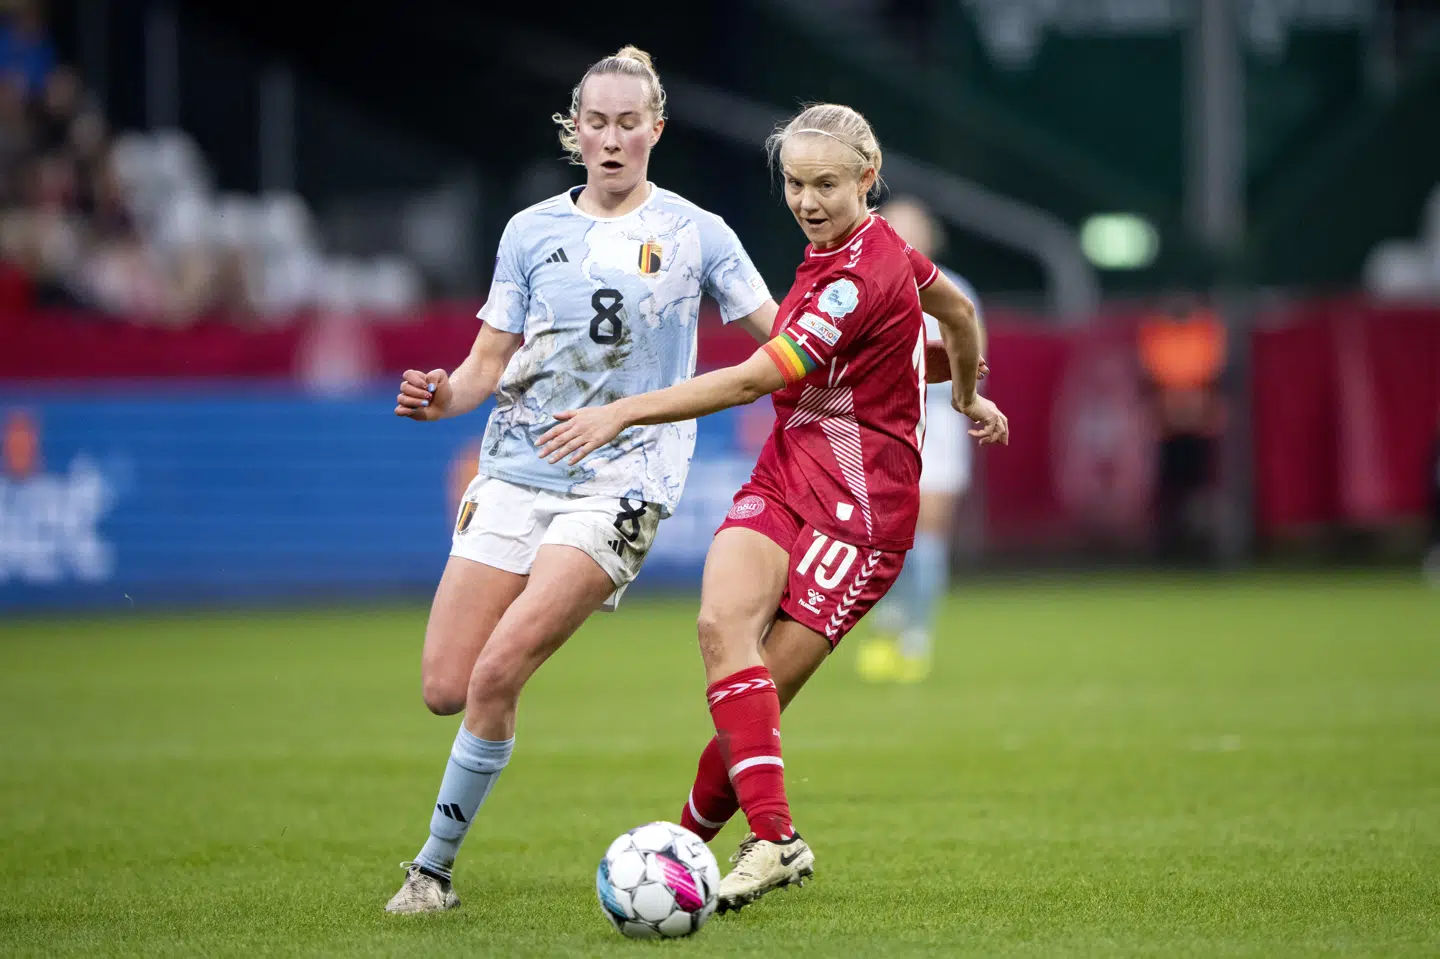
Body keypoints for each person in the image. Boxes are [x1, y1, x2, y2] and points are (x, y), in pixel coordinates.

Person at [538, 102, 1007, 911]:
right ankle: (749, 843)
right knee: (723, 631)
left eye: (826, 183)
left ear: (868, 177)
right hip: (788, 471)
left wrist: (622, 410)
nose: (807, 200)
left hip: (860, 512)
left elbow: (759, 377)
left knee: (757, 695)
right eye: (794, 182)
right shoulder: (860, 251)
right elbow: (957, 316)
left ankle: (730, 839)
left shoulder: (861, 272)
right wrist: (966, 393)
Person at [383, 46, 784, 914]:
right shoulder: (529, 231)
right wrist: (440, 397)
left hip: (622, 482)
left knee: (495, 675)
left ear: (655, 130)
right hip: (518, 469)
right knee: (445, 686)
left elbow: (785, 338)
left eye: (627, 123)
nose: (610, 138)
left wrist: (900, 366)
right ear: (575, 131)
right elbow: (486, 362)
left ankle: (431, 872)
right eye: (594, 123)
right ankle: (439, 858)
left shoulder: (697, 232)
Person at [854, 195, 984, 683]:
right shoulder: (866, 286)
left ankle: (916, 638)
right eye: (894, 227)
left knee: (927, 538)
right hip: (883, 429)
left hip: (940, 427)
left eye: (913, 228)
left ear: (930, 236)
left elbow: (974, 361)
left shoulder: (955, 290)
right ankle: (887, 625)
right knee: (885, 539)